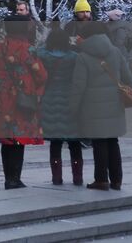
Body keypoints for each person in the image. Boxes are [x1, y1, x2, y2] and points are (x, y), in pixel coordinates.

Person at [71, 19, 132, 191]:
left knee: (99, 142)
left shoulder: (83, 57)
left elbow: (78, 87)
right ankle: (117, 180)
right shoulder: (115, 52)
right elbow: (128, 77)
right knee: (113, 141)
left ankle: (101, 180)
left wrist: (72, 108)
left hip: (92, 108)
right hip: (115, 105)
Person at [0, 15, 46, 189]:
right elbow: (41, 74)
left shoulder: (0, 47)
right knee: (19, 138)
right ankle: (15, 178)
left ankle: (8, 178)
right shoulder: (27, 48)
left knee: (7, 138)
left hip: (3, 96)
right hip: (22, 97)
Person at [33, 24, 84, 186]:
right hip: (69, 99)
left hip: (49, 98)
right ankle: (77, 177)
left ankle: (56, 177)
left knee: (55, 143)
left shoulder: (42, 55)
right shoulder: (74, 57)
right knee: (74, 142)